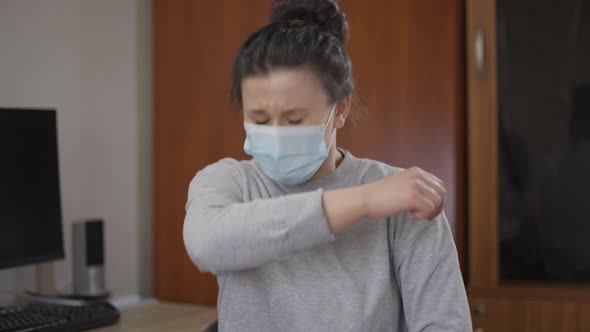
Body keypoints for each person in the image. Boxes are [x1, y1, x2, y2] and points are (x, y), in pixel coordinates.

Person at [183, 0, 472, 330]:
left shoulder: (403, 199)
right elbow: (207, 243)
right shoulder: (228, 181)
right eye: (259, 119)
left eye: (295, 119)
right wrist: (363, 201)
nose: (275, 134)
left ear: (340, 109)